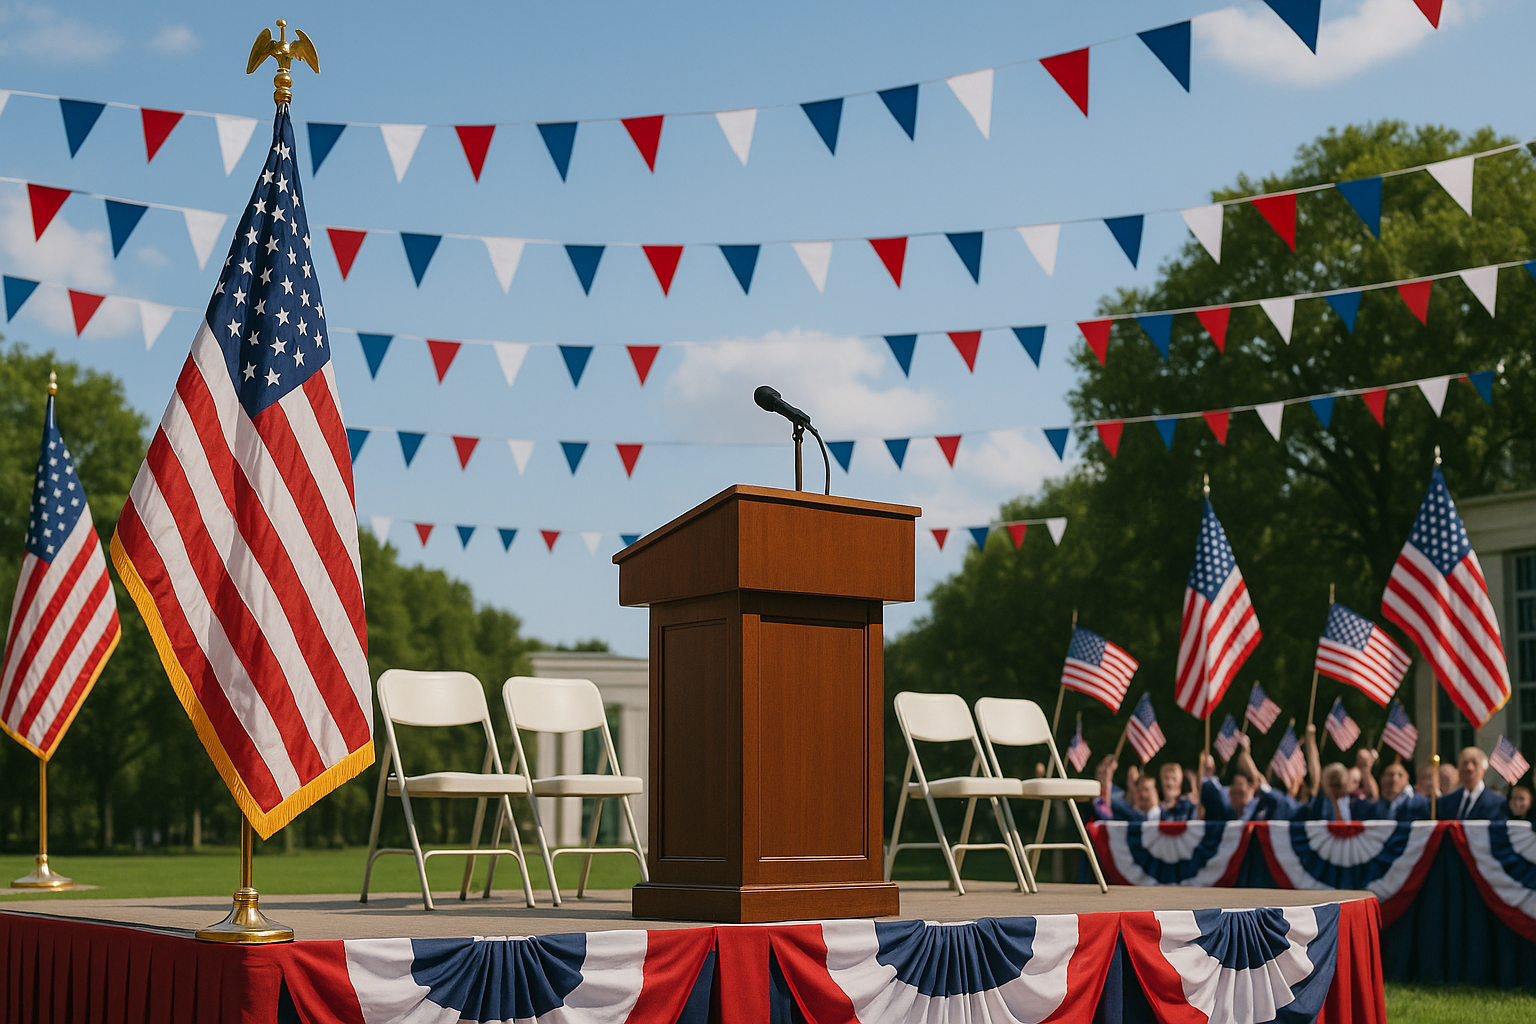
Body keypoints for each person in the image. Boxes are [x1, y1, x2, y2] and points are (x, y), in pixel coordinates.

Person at [1202, 734, 1297, 821]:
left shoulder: (1262, 809)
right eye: (1233, 793)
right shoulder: (1229, 814)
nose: (1235, 798)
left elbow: (1280, 802)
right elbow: (1210, 791)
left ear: (1252, 787)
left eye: (1240, 793)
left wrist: (1259, 781)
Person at [1435, 746, 1510, 820]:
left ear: (1484, 768)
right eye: (1465, 763)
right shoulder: (1446, 802)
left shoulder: (1497, 803)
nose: (1469, 768)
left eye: (1474, 763)